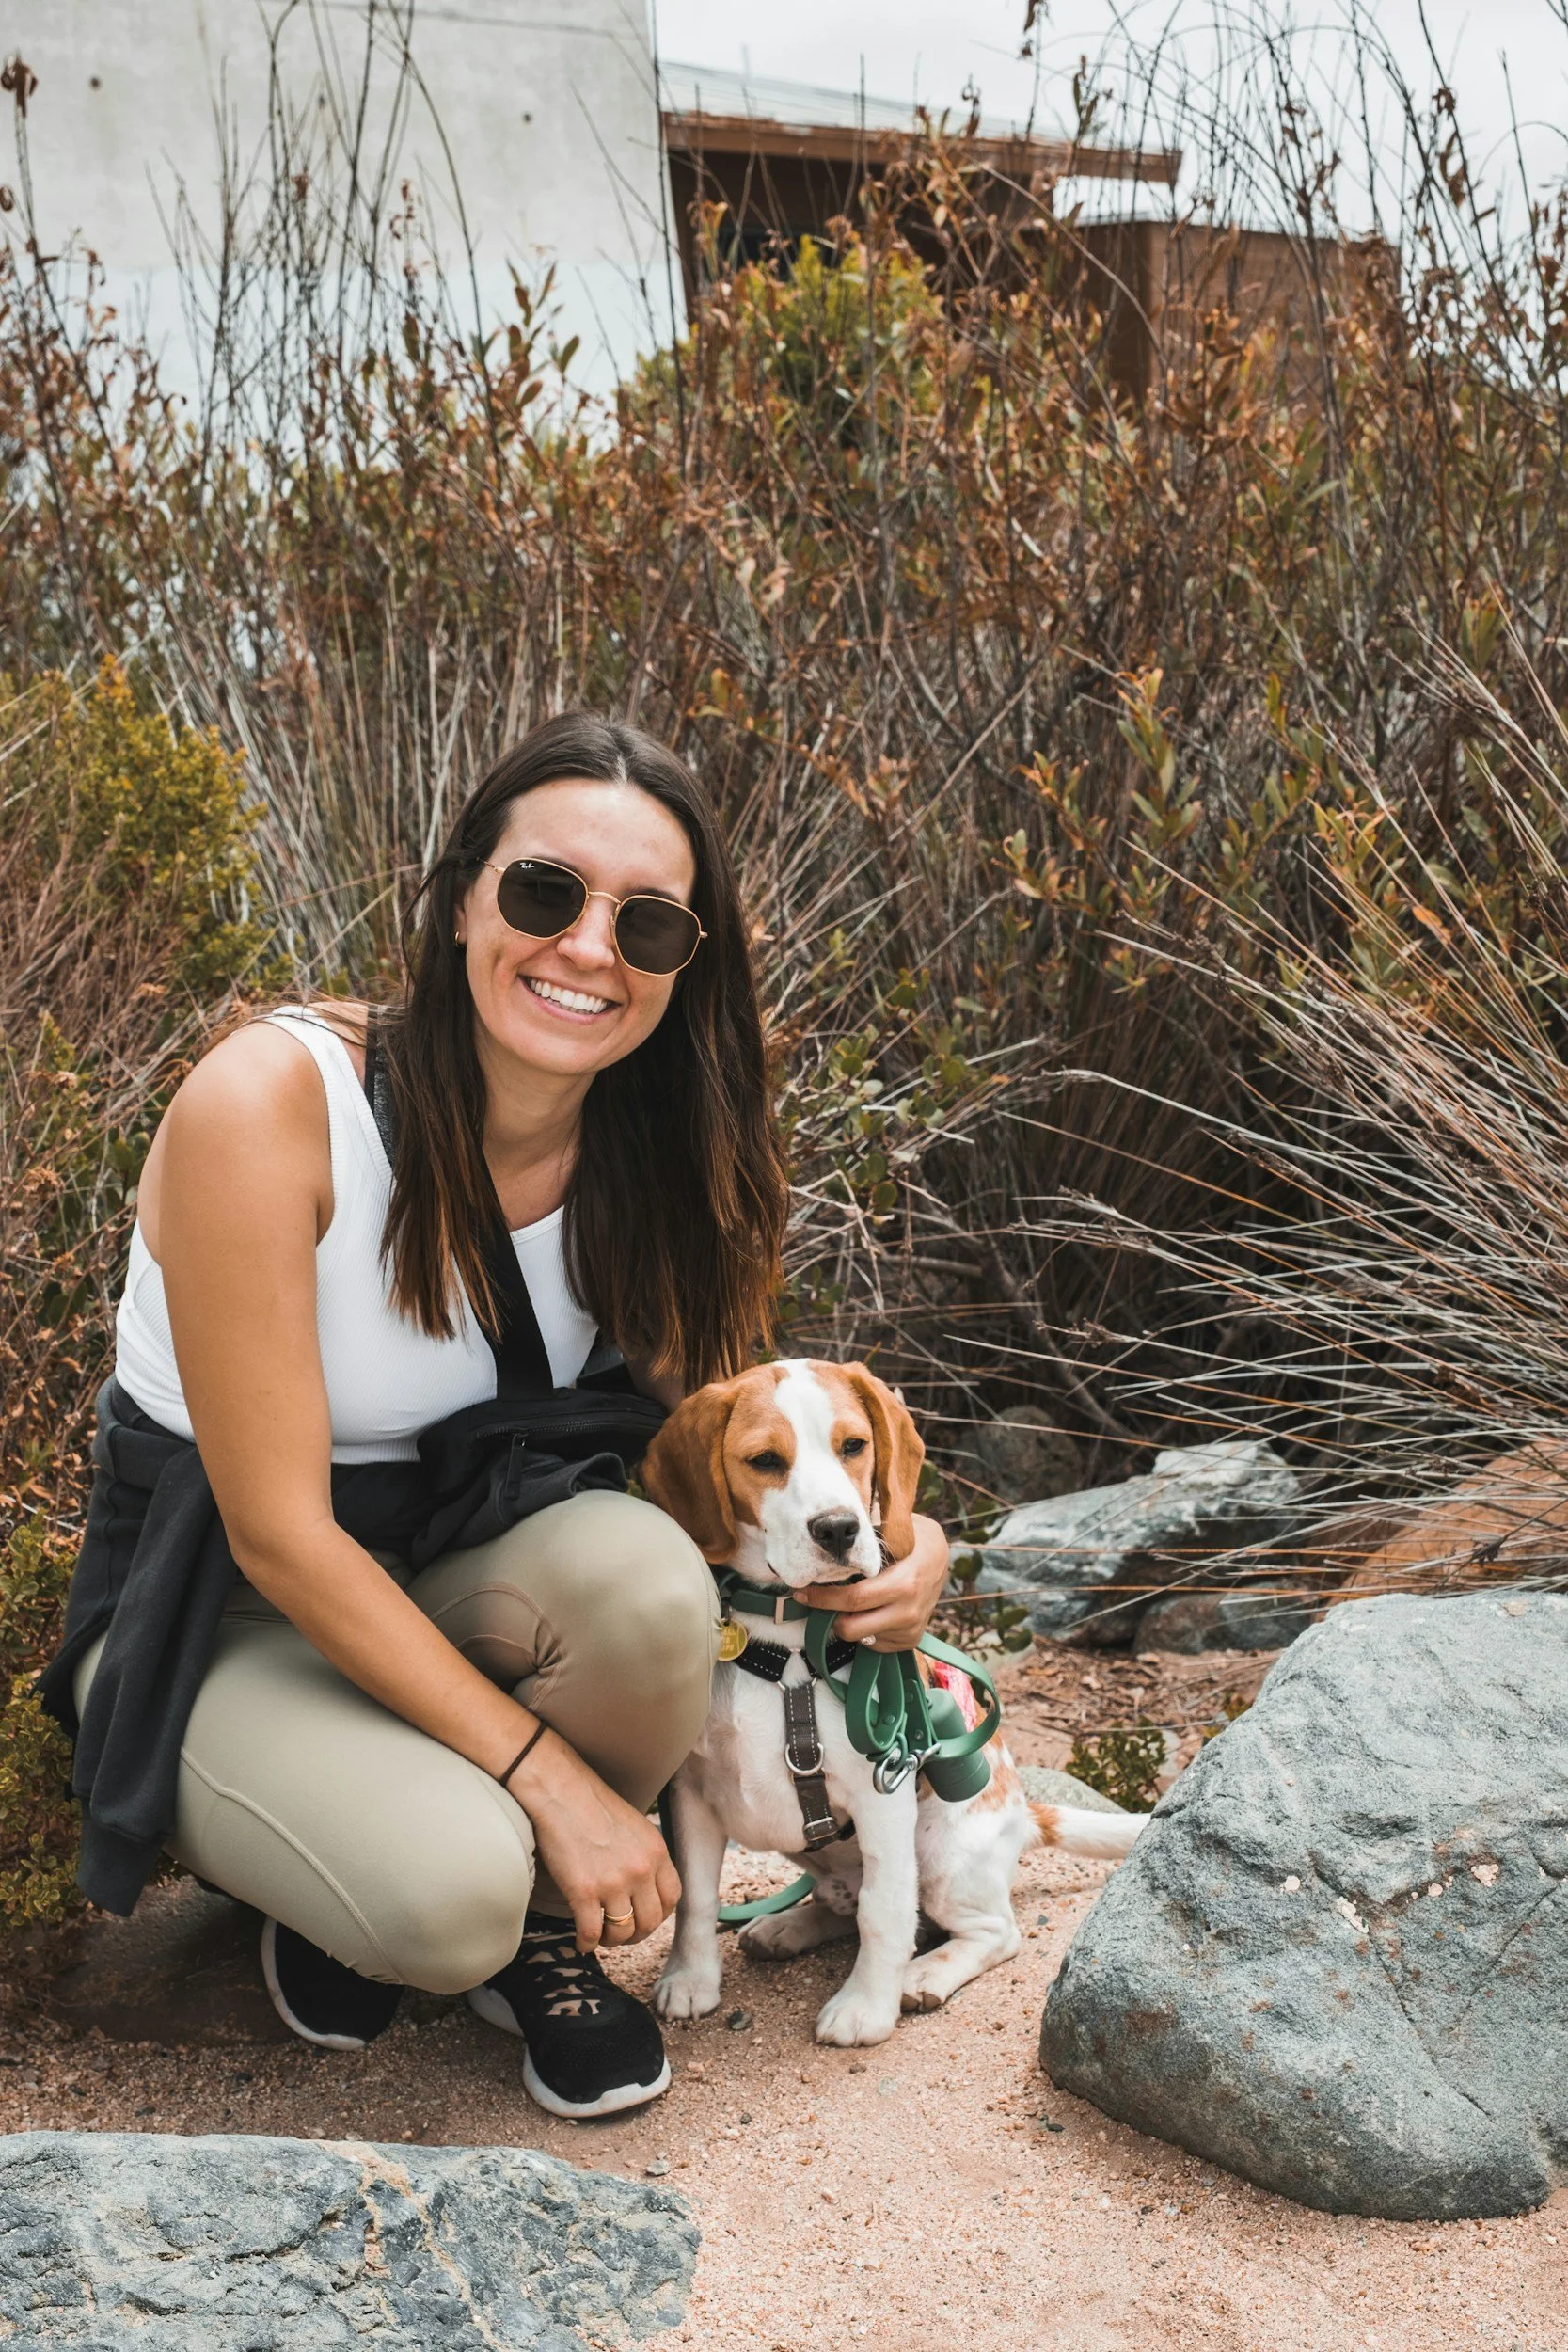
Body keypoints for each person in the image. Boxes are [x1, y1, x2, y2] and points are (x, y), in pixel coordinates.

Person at [39, 712, 953, 2118]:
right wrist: (562, 1790)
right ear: (461, 895)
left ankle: (453, 1890)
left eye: (647, 928)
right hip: (223, 1611)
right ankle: (438, 1893)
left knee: (651, 1585)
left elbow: (740, 1433)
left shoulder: (646, 1155)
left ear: (683, 970)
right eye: (544, 893)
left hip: (454, 1580)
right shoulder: (272, 1104)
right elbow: (281, 1538)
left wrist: (910, 1537)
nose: (588, 949)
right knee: (454, 1893)